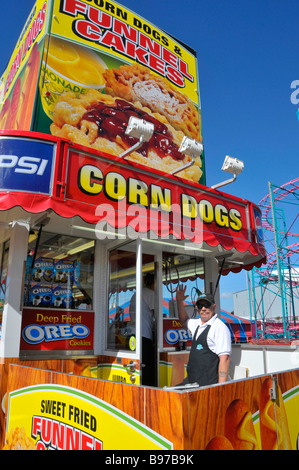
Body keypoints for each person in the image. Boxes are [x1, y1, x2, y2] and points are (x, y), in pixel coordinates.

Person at [176, 284, 231, 387]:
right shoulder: (196, 324)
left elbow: (225, 359)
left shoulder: (219, 328)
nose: (204, 309)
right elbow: (183, 321)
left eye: (207, 305)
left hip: (208, 385)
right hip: (192, 382)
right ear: (197, 309)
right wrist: (179, 301)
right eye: (200, 306)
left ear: (214, 307)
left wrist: (221, 388)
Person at [130, 273, 156, 386]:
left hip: (134, 334)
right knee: (148, 368)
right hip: (145, 335)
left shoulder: (136, 294)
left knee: (139, 366)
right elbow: (158, 314)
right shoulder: (150, 293)